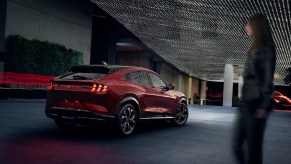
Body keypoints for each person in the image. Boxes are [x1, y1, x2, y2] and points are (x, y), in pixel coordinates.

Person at [232, 13, 276, 164]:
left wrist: (263, 106)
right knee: (236, 146)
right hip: (244, 105)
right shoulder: (253, 49)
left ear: (256, 26)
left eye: (248, 24)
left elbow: (267, 81)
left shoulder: (268, 49)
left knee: (254, 152)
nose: (246, 27)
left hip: (257, 106)